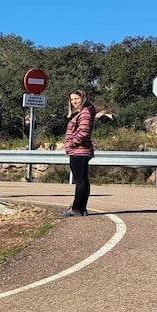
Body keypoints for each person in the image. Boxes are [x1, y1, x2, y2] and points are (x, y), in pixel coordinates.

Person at [62, 89, 96, 217]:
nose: (73, 102)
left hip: (79, 151)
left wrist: (72, 143)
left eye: (76, 99)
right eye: (71, 99)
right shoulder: (82, 112)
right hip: (80, 150)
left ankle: (76, 209)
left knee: (80, 181)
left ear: (83, 98)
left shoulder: (85, 112)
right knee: (83, 180)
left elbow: (84, 131)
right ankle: (82, 208)